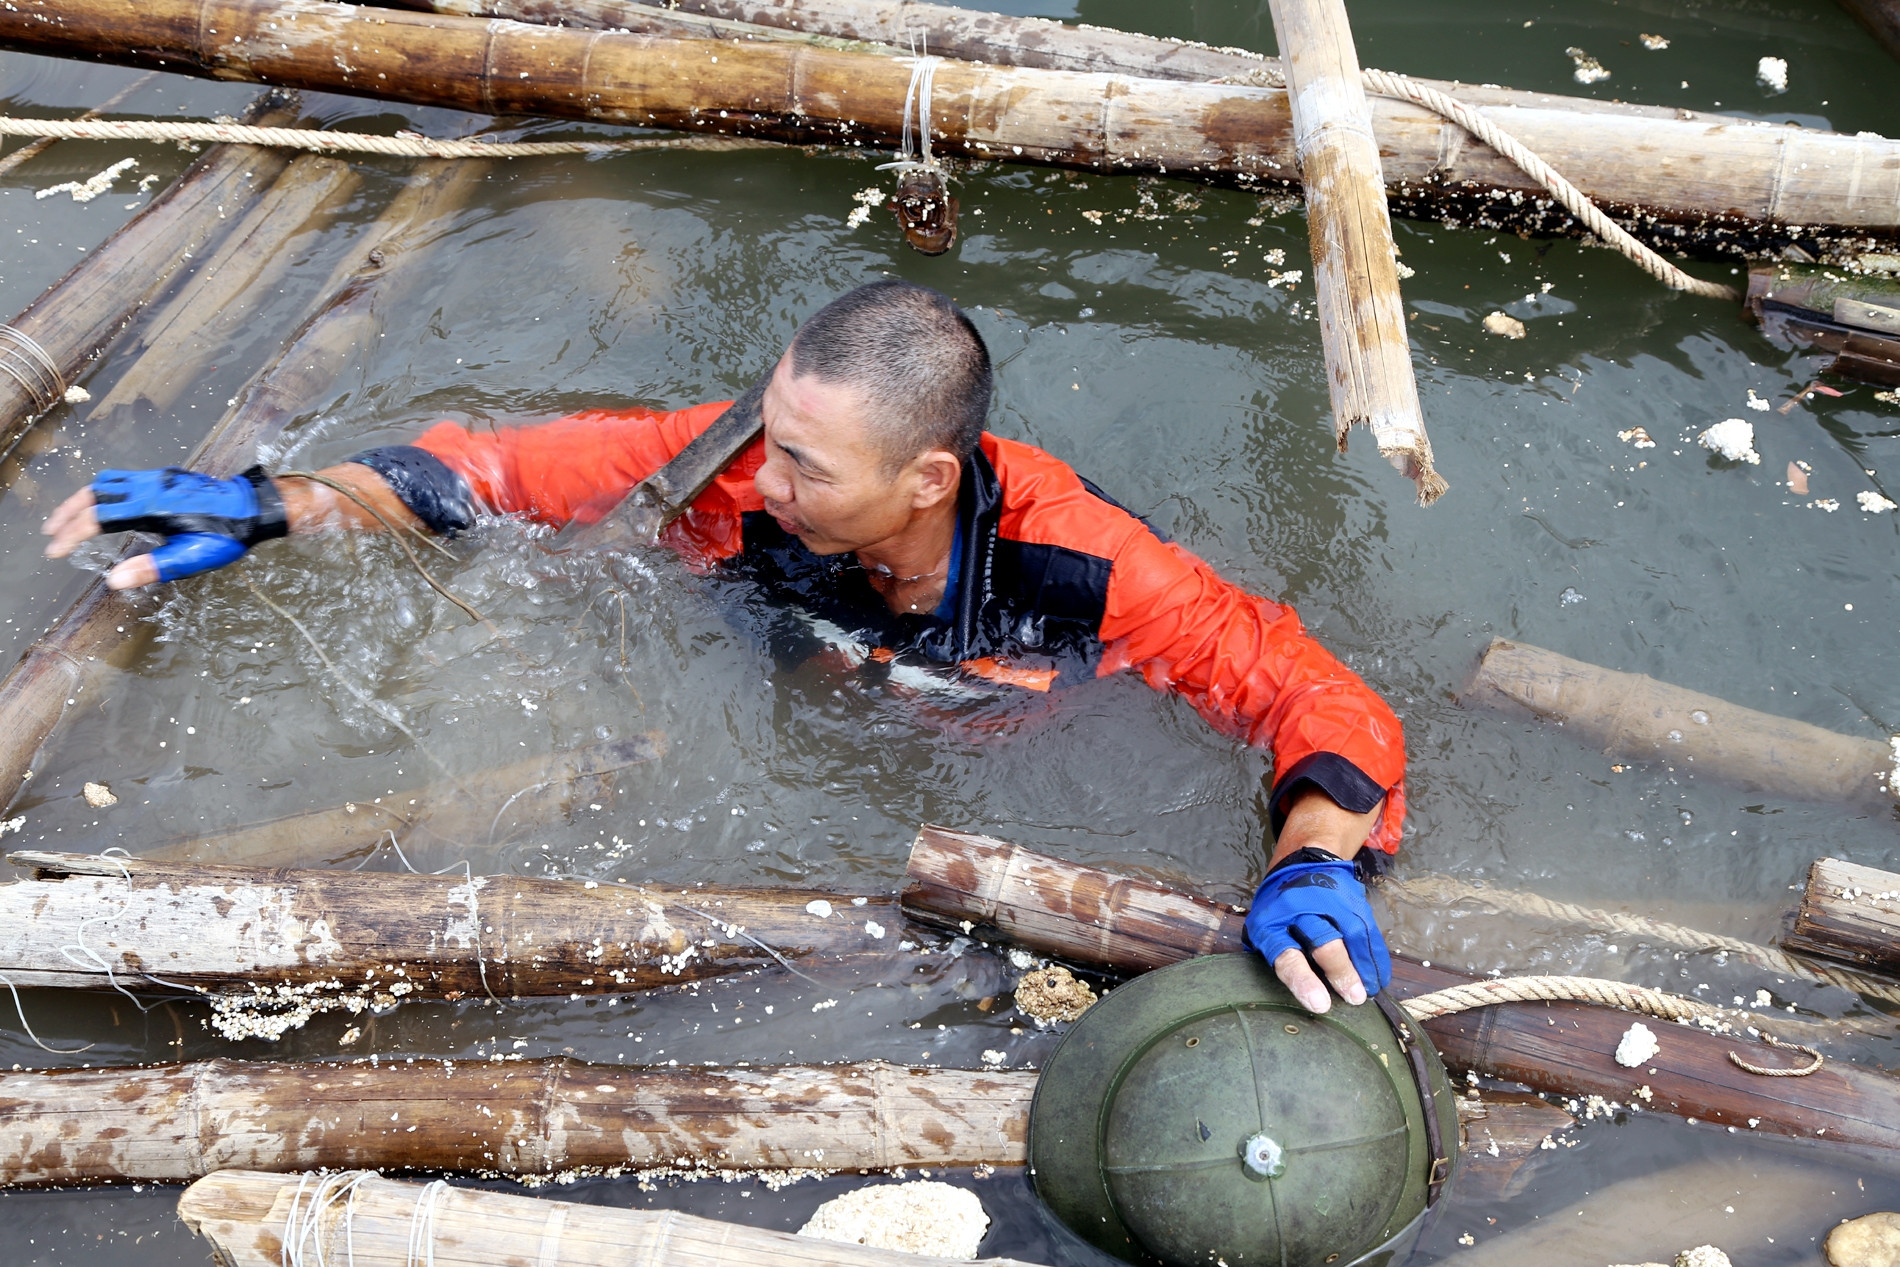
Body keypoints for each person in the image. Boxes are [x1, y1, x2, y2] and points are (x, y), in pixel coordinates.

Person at [42, 280, 1406, 1014]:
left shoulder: (1087, 569)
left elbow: (1318, 700)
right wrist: (282, 505)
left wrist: (1311, 872)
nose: (760, 484)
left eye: (805, 466)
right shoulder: (732, 466)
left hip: (1024, 725)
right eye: (770, 437)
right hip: (800, 669)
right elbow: (503, 472)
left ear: (929, 478)